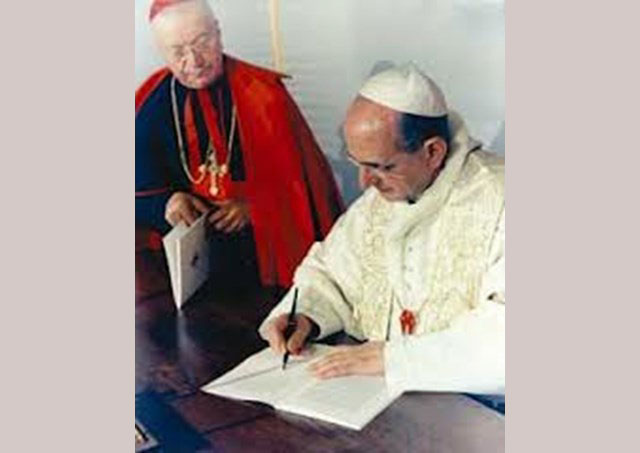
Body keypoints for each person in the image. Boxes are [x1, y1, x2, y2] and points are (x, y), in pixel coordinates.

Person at [260, 63, 505, 396]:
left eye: (381, 166)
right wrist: (305, 315)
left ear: (433, 152)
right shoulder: (382, 198)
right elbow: (331, 273)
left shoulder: (501, 198)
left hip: (479, 409)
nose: (365, 183)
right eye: (357, 163)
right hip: (380, 396)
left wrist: (394, 359)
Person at [136, 0, 344, 289]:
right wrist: (167, 203)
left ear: (218, 33)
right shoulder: (150, 102)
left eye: (202, 42)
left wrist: (255, 207)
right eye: (179, 51)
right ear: (162, 52)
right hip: (186, 276)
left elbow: (307, 189)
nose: (194, 61)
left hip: (265, 266)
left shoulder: (264, 95)